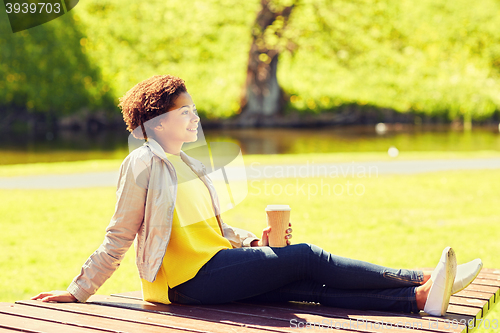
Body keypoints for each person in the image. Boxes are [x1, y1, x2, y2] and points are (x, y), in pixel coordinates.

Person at [32, 75, 483, 316]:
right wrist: (78, 291)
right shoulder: (143, 163)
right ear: (158, 121)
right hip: (184, 284)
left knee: (302, 285)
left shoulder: (188, 164)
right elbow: (118, 235)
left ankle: (419, 300)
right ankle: (419, 276)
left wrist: (254, 243)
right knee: (306, 257)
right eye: (184, 111)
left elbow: (210, 231)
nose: (194, 118)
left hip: (214, 267)